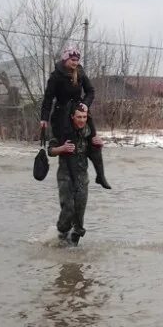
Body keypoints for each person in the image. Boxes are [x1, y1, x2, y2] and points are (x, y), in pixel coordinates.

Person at [40, 47, 110, 189]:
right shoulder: (56, 76)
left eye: (77, 60)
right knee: (70, 146)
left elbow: (90, 91)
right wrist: (44, 119)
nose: (75, 63)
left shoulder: (80, 72)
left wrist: (85, 104)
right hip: (62, 114)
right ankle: (74, 180)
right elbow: (48, 99)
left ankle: (100, 176)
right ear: (66, 59)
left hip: (80, 110)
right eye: (73, 60)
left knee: (95, 142)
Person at [48, 103, 104, 245]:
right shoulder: (64, 130)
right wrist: (63, 148)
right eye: (79, 117)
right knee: (68, 209)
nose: (81, 120)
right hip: (65, 177)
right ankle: (60, 237)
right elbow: (50, 151)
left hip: (82, 178)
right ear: (72, 117)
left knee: (79, 216)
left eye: (84, 117)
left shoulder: (88, 132)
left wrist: (99, 145)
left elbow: (92, 153)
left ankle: (73, 252)